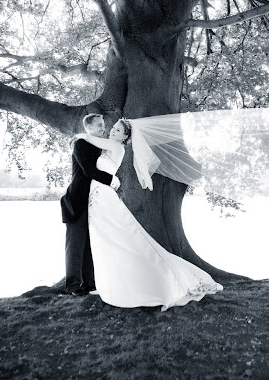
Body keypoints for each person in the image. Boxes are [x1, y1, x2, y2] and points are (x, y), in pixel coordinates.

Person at [74, 118, 223, 310]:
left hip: (103, 197)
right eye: (113, 129)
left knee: (116, 238)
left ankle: (150, 285)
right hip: (98, 196)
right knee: (105, 240)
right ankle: (110, 285)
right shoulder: (110, 146)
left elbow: (90, 139)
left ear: (125, 137)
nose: (112, 132)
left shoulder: (116, 147)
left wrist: (80, 136)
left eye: (117, 131)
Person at [60, 113, 119, 296]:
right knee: (75, 245)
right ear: (89, 127)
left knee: (89, 244)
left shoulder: (98, 145)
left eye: (103, 125)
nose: (103, 128)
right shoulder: (80, 144)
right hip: (76, 201)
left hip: (93, 202)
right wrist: (111, 180)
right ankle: (73, 285)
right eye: (99, 125)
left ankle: (89, 283)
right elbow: (88, 170)